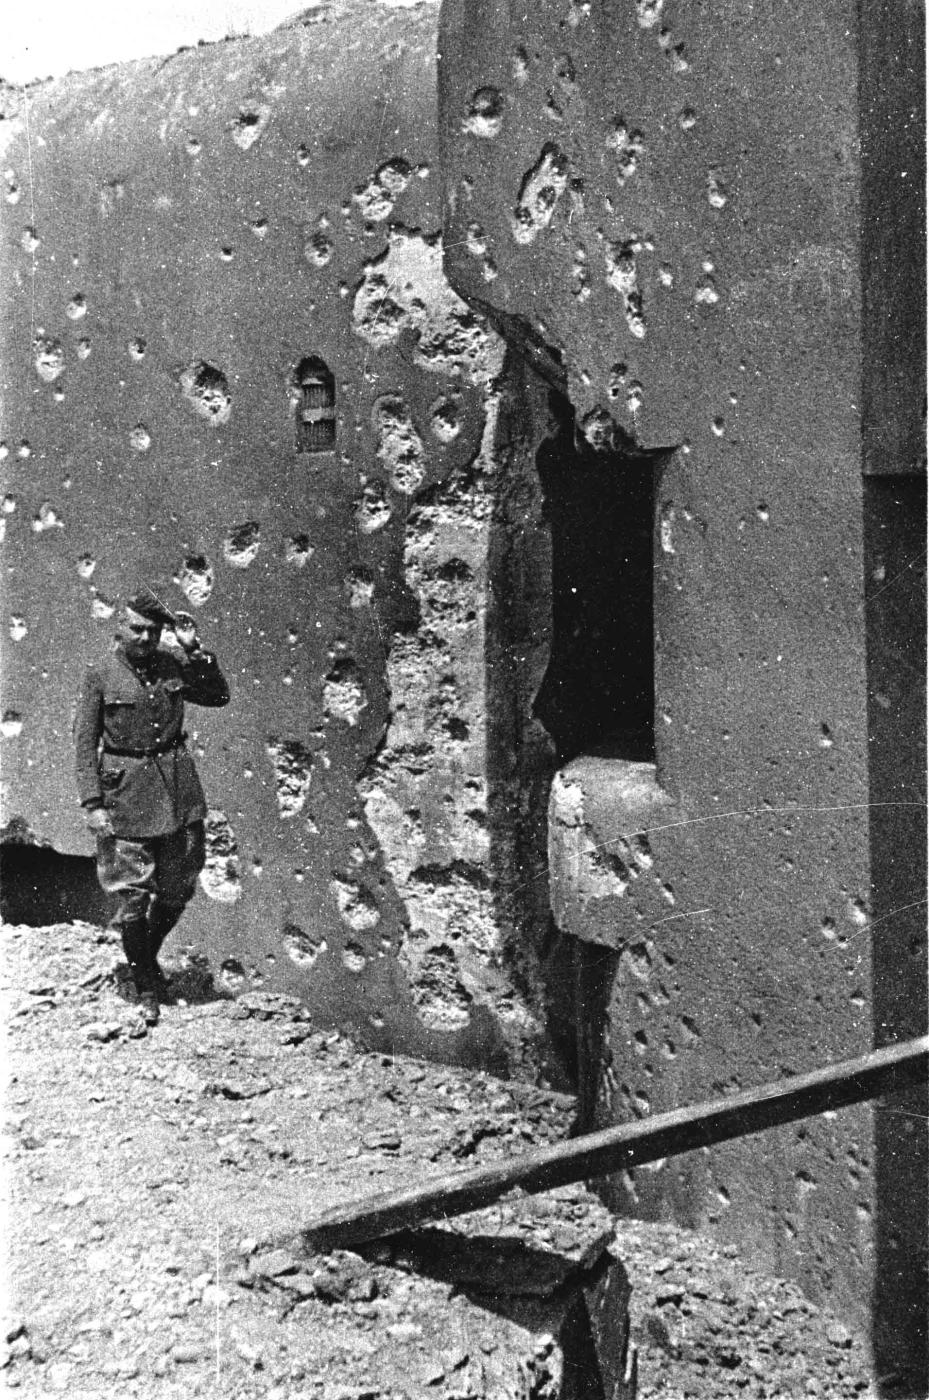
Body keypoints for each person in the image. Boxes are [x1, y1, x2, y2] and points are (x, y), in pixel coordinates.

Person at [74, 587, 230, 1024]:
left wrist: (194, 651)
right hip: (124, 793)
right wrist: (93, 803)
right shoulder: (100, 674)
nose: (145, 638)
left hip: (177, 790)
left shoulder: (172, 664)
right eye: (137, 629)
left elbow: (218, 696)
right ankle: (144, 983)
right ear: (120, 627)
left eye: (153, 631)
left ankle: (144, 958)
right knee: (132, 894)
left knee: (180, 882)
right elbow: (84, 743)